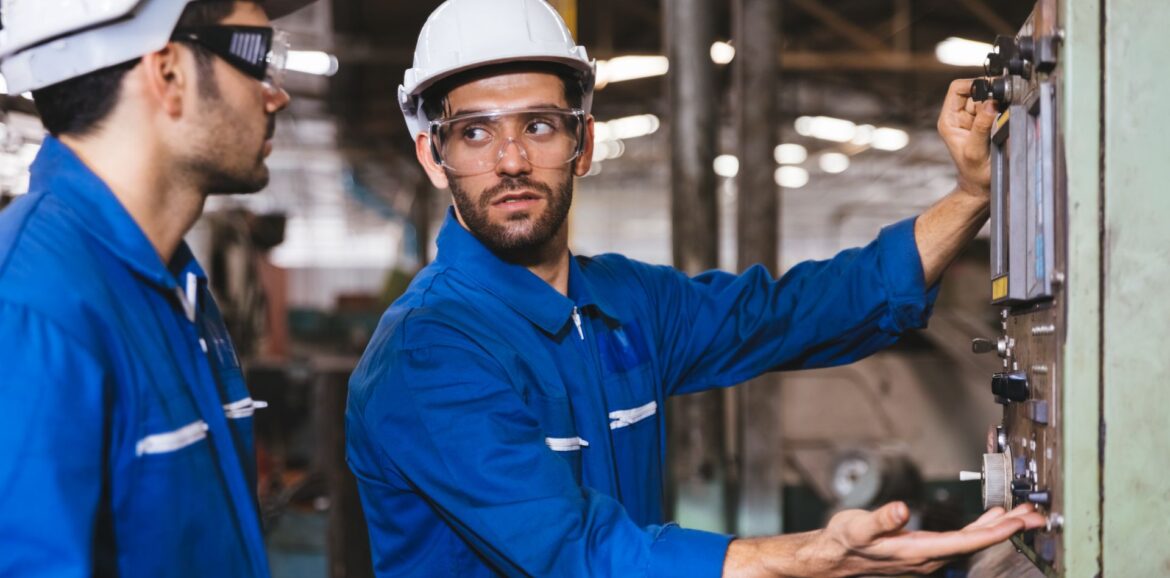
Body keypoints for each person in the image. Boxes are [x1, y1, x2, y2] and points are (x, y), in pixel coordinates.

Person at [345, 0, 1046, 576]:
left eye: (539, 125)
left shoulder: (623, 304)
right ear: (434, 159)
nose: (512, 160)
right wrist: (803, 556)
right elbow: (574, 553)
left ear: (582, 143)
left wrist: (970, 197)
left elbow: (794, 313)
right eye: (473, 134)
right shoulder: (428, 352)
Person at [0, 0, 314, 575]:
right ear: (167, 73)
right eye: (257, 56)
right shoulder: (30, 310)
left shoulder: (174, 287)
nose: (277, 94)